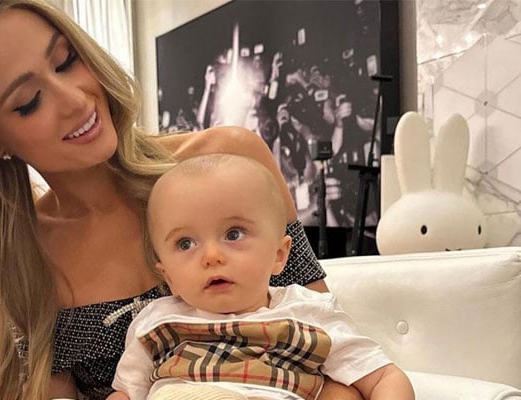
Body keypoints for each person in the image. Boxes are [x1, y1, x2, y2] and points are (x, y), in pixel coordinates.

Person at [0, 1, 366, 399]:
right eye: (28, 102)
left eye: (65, 61)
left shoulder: (230, 160)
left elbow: (333, 353)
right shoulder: (23, 258)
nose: (75, 100)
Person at [111, 154, 414, 400]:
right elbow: (126, 393)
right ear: (168, 277)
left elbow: (383, 378)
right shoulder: (156, 322)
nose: (211, 256)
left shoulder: (309, 313)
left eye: (234, 234)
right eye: (185, 243)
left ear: (279, 255)